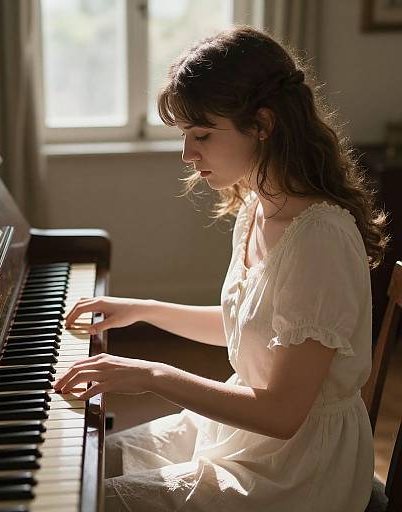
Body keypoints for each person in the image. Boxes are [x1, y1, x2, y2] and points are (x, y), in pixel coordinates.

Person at [54, 25, 388, 512]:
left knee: (93, 501)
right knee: (84, 465)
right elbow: (249, 326)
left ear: (263, 124)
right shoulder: (259, 205)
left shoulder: (319, 239)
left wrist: (151, 373)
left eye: (202, 135)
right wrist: (142, 309)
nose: (188, 155)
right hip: (246, 436)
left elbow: (282, 413)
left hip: (298, 471)